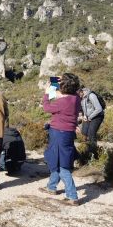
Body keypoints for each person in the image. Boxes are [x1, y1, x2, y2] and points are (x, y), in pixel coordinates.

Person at [40, 73, 81, 206]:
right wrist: (54, 82)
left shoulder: (63, 102)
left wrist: (47, 93)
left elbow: (46, 106)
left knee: (63, 166)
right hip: (68, 133)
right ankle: (51, 187)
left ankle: (72, 195)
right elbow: (60, 94)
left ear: (64, 87)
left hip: (59, 134)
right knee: (58, 160)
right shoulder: (75, 98)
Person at [78, 87, 105, 160]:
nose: (77, 96)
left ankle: (94, 156)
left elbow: (99, 109)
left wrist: (89, 117)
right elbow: (83, 109)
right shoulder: (81, 98)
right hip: (88, 117)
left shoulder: (91, 96)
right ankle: (85, 154)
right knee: (84, 133)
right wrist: (83, 116)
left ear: (81, 91)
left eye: (78, 94)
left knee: (91, 134)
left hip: (97, 116)